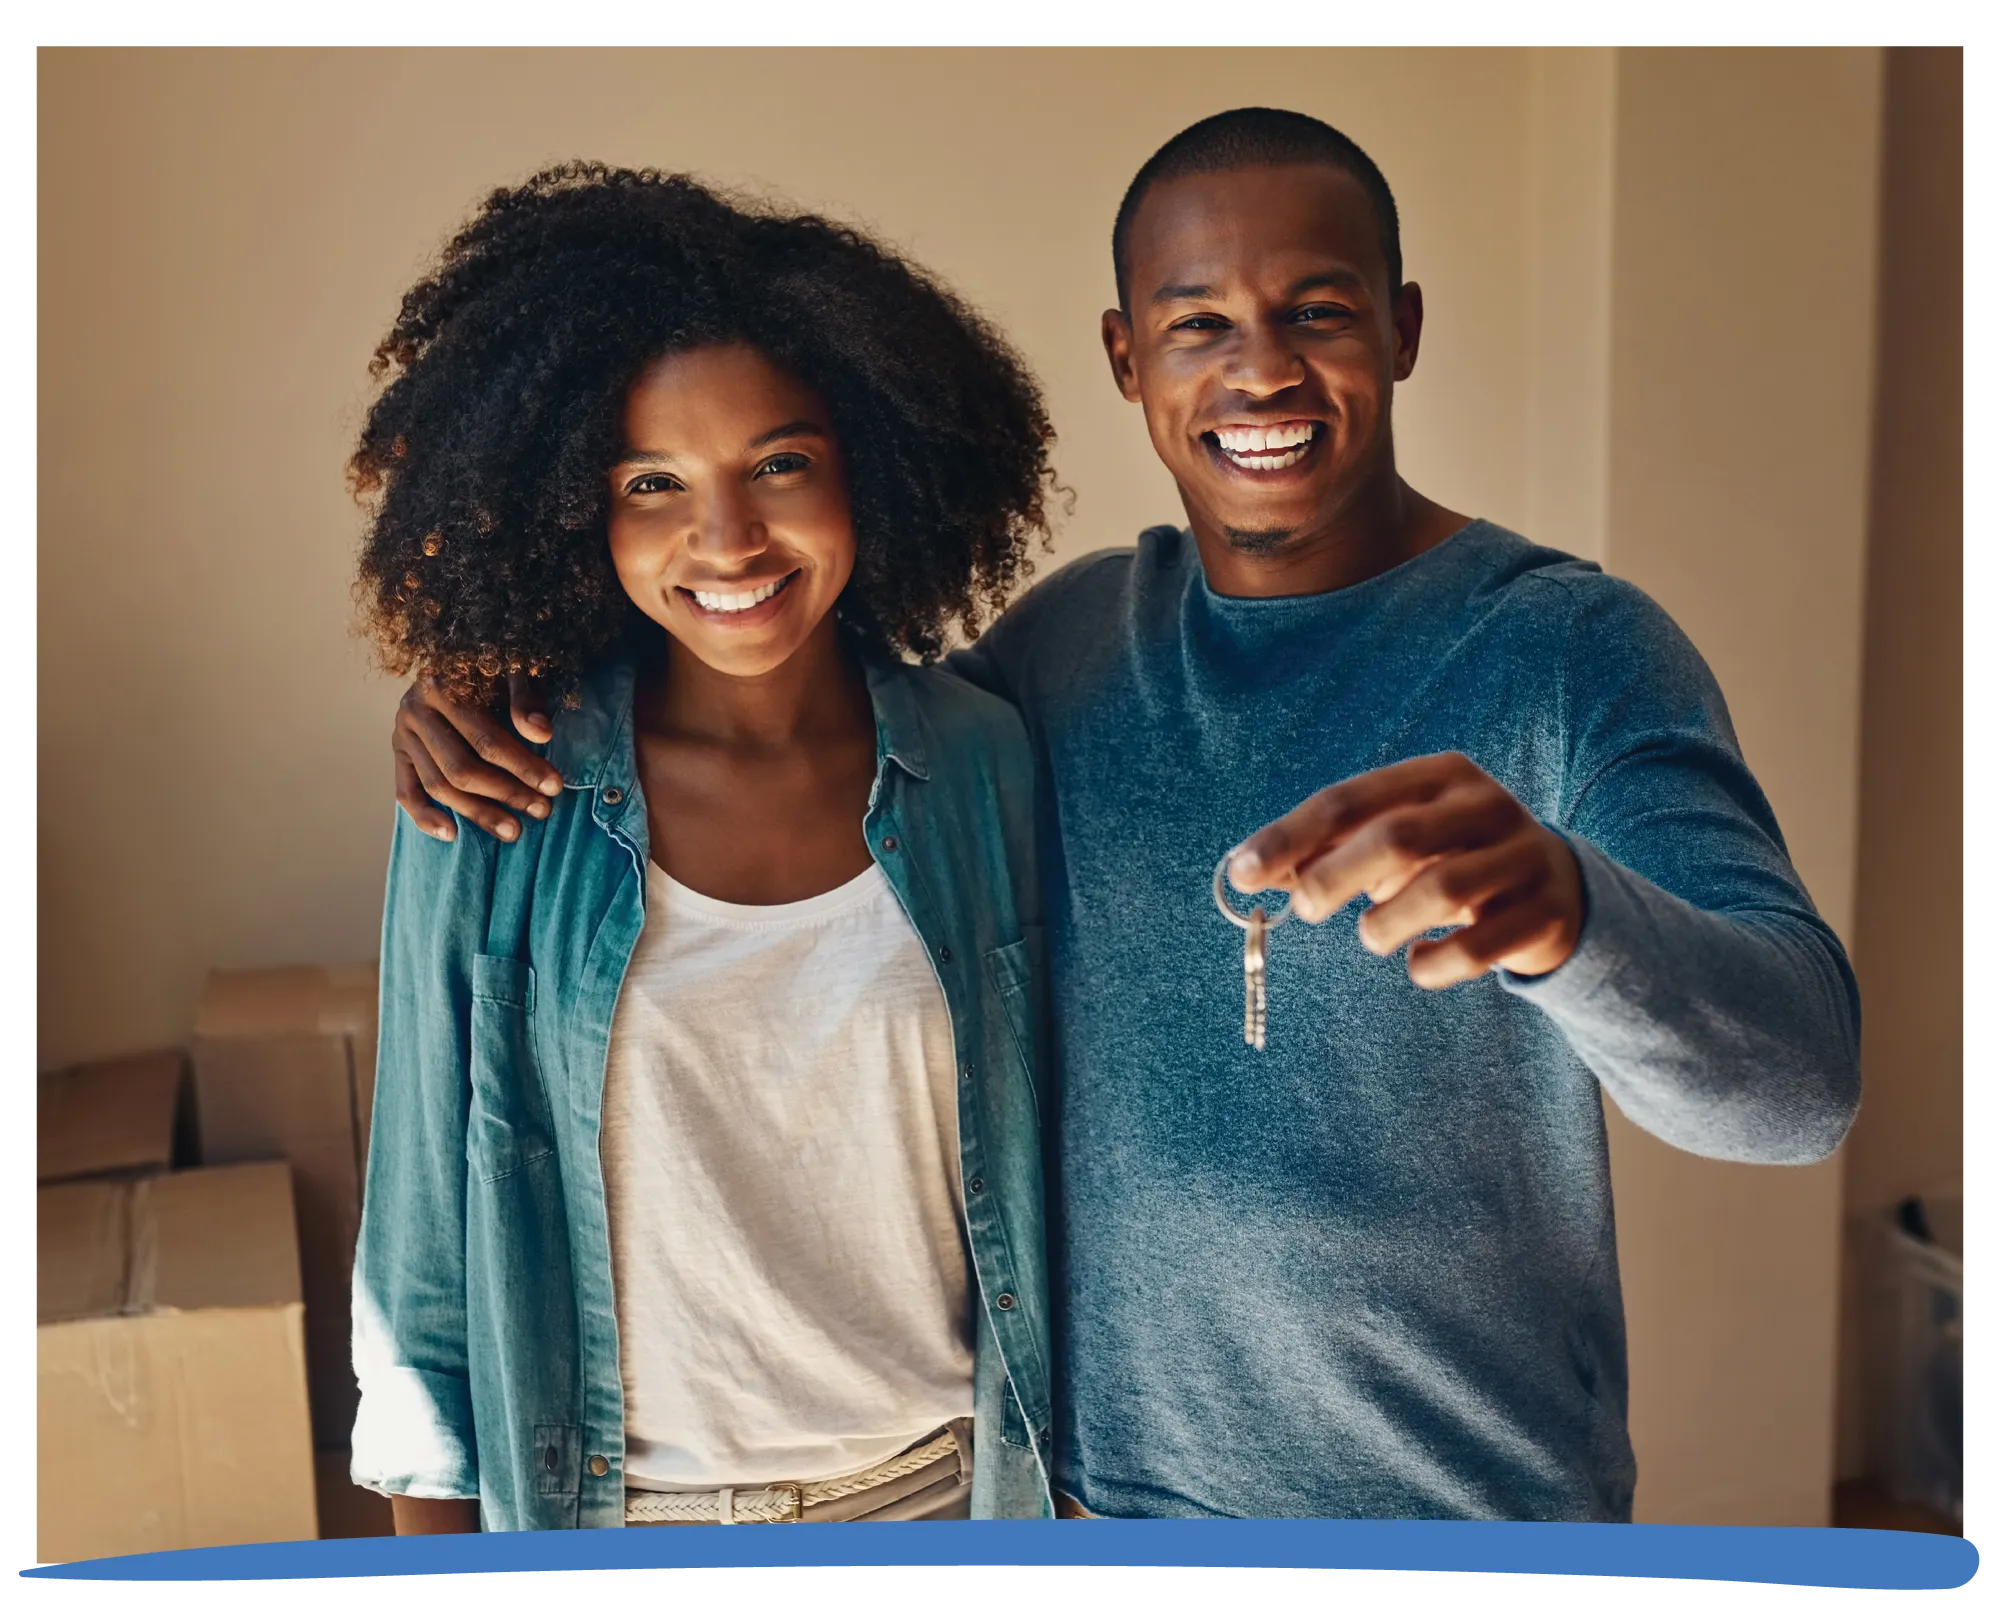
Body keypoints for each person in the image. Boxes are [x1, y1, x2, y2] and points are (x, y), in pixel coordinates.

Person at [385, 112, 1861, 1522]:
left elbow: (1801, 1087)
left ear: (1404, 327)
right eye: (1201, 322)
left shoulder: (1567, 655)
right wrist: (494, 682)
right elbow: (785, 691)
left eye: (1321, 311)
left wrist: (1575, 917)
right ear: (1126, 354)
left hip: (1468, 1510)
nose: (1260, 372)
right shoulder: (1063, 657)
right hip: (1088, 1505)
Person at [348, 163, 1061, 1532]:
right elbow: (421, 1269)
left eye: (780, 462)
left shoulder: (984, 765)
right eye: (650, 481)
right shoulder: (505, 790)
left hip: (947, 1498)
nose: (726, 536)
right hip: (615, 1514)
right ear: (572, 508)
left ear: (874, 458)